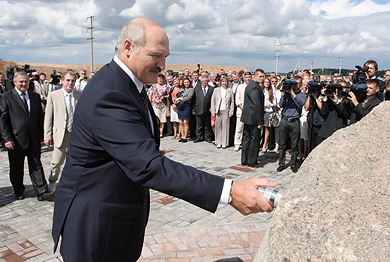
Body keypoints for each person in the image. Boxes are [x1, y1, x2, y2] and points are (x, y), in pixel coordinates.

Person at [52, 17, 275, 261]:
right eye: (156, 55)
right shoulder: (112, 93)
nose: (162, 65)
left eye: (166, 57)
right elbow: (147, 166)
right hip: (95, 229)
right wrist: (230, 191)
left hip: (111, 220)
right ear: (128, 47)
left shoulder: (127, 84)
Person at [0, 70, 52, 201]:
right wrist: (6, 139)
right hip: (16, 139)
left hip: (33, 138)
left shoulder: (34, 96)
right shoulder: (6, 97)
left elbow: (40, 117)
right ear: (14, 82)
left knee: (36, 164)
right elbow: (3, 120)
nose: (24, 84)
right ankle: (18, 190)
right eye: (21, 82)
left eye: (26, 82)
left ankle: (41, 190)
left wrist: (42, 134)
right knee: (17, 167)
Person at [43, 71, 81, 192]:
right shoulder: (53, 96)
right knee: (57, 161)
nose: (70, 83)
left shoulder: (79, 95)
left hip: (76, 134)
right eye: (68, 80)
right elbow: (48, 117)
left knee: (76, 161)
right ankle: (52, 182)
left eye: (72, 81)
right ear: (62, 81)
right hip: (60, 134)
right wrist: (47, 135)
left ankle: (73, 184)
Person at [277, 76, 307, 173]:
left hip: (295, 121)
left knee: (294, 145)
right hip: (285, 120)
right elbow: (281, 105)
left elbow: (301, 103)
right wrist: (283, 94)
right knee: (282, 144)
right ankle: (281, 163)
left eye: (297, 83)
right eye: (294, 83)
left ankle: (293, 163)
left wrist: (293, 94)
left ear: (300, 84)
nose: (295, 85)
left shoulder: (302, 95)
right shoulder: (287, 93)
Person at [240, 69, 265, 167]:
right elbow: (257, 105)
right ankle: (251, 160)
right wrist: (259, 121)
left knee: (246, 138)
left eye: (263, 76)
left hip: (247, 117)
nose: (262, 78)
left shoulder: (250, 85)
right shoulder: (255, 87)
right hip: (253, 118)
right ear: (255, 76)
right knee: (254, 139)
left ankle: (244, 159)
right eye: (260, 76)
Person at [211, 77, 234, 149]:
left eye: (225, 81)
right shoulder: (216, 90)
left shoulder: (229, 90)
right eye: (223, 81)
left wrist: (231, 112)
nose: (224, 83)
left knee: (225, 126)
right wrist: (213, 112)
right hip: (218, 110)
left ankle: (224, 142)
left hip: (226, 110)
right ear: (220, 82)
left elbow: (232, 102)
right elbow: (213, 101)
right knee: (218, 126)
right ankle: (218, 142)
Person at [192, 75, 214, 143]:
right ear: (201, 82)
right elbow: (194, 100)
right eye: (203, 81)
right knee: (199, 124)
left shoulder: (211, 89)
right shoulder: (196, 89)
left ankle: (208, 137)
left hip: (208, 109)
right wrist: (193, 109)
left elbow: (213, 99)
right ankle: (199, 137)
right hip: (198, 108)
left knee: (207, 125)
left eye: (205, 81)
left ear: (208, 81)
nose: (204, 82)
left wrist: (212, 107)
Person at [234, 72, 252, 152]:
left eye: (249, 77)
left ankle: (247, 144)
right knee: (239, 128)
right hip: (241, 111)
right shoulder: (240, 87)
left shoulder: (253, 87)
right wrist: (243, 108)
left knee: (249, 130)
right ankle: (237, 144)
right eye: (246, 77)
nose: (248, 78)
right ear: (244, 78)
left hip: (251, 112)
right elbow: (237, 99)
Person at [148, 73, 170, 138]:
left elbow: (169, 94)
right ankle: (156, 132)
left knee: (162, 119)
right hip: (155, 104)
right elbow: (150, 95)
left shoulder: (166, 87)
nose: (160, 80)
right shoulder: (153, 86)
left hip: (163, 104)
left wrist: (165, 96)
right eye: (158, 79)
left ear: (163, 79)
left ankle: (161, 132)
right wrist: (149, 103)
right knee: (156, 119)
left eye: (161, 79)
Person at [261, 78, 277, 153]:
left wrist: (269, 104)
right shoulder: (261, 90)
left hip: (268, 111)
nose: (267, 83)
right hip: (261, 110)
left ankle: (265, 144)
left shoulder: (272, 90)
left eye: (268, 82)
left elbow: (275, 102)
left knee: (267, 128)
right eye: (265, 82)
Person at [176, 77, 194, 142]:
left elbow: (189, 98)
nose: (186, 83)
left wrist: (180, 99)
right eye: (185, 82)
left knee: (186, 122)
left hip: (186, 107)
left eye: (187, 82)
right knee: (180, 123)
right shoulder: (181, 89)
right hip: (180, 107)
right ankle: (182, 136)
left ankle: (185, 137)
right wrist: (177, 99)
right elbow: (177, 96)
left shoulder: (191, 89)